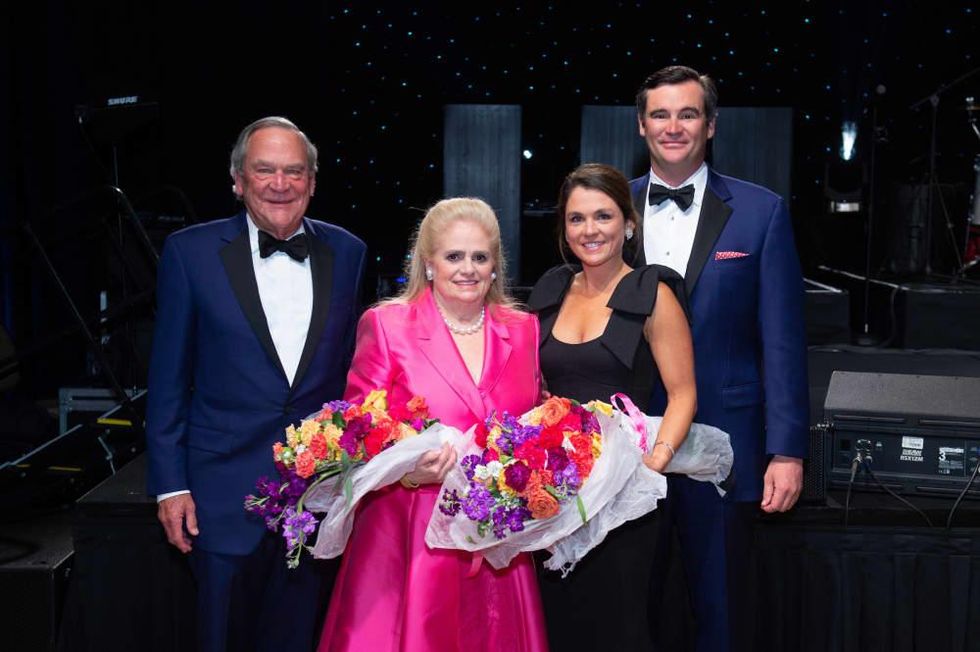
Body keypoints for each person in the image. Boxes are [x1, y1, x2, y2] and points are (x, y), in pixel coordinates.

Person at [145, 116, 367, 652]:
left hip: (316, 498)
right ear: (238, 180)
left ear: (313, 181)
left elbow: (350, 372)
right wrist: (170, 486)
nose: (280, 183)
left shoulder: (349, 252)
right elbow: (167, 380)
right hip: (219, 498)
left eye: (294, 171)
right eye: (264, 170)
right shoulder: (189, 253)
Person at [318, 198, 548, 652]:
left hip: (497, 543)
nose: (468, 269)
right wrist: (406, 472)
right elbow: (356, 435)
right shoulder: (388, 325)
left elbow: (533, 422)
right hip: (409, 535)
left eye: (480, 257)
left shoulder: (523, 330)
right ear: (428, 263)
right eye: (454, 256)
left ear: (495, 267)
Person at [631, 65, 809, 651]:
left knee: (722, 611)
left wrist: (787, 450)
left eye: (687, 114)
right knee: (631, 614)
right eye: (660, 114)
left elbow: (783, 340)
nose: (673, 126)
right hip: (628, 447)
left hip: (727, 442)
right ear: (641, 125)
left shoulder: (761, 212)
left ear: (710, 125)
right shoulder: (608, 210)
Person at [528, 163, 697, 651]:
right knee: (559, 624)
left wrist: (653, 464)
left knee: (620, 627)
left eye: (603, 216)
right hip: (556, 497)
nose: (590, 230)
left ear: (628, 224)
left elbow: (684, 393)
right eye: (576, 218)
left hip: (625, 499)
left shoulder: (653, 294)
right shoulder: (550, 290)